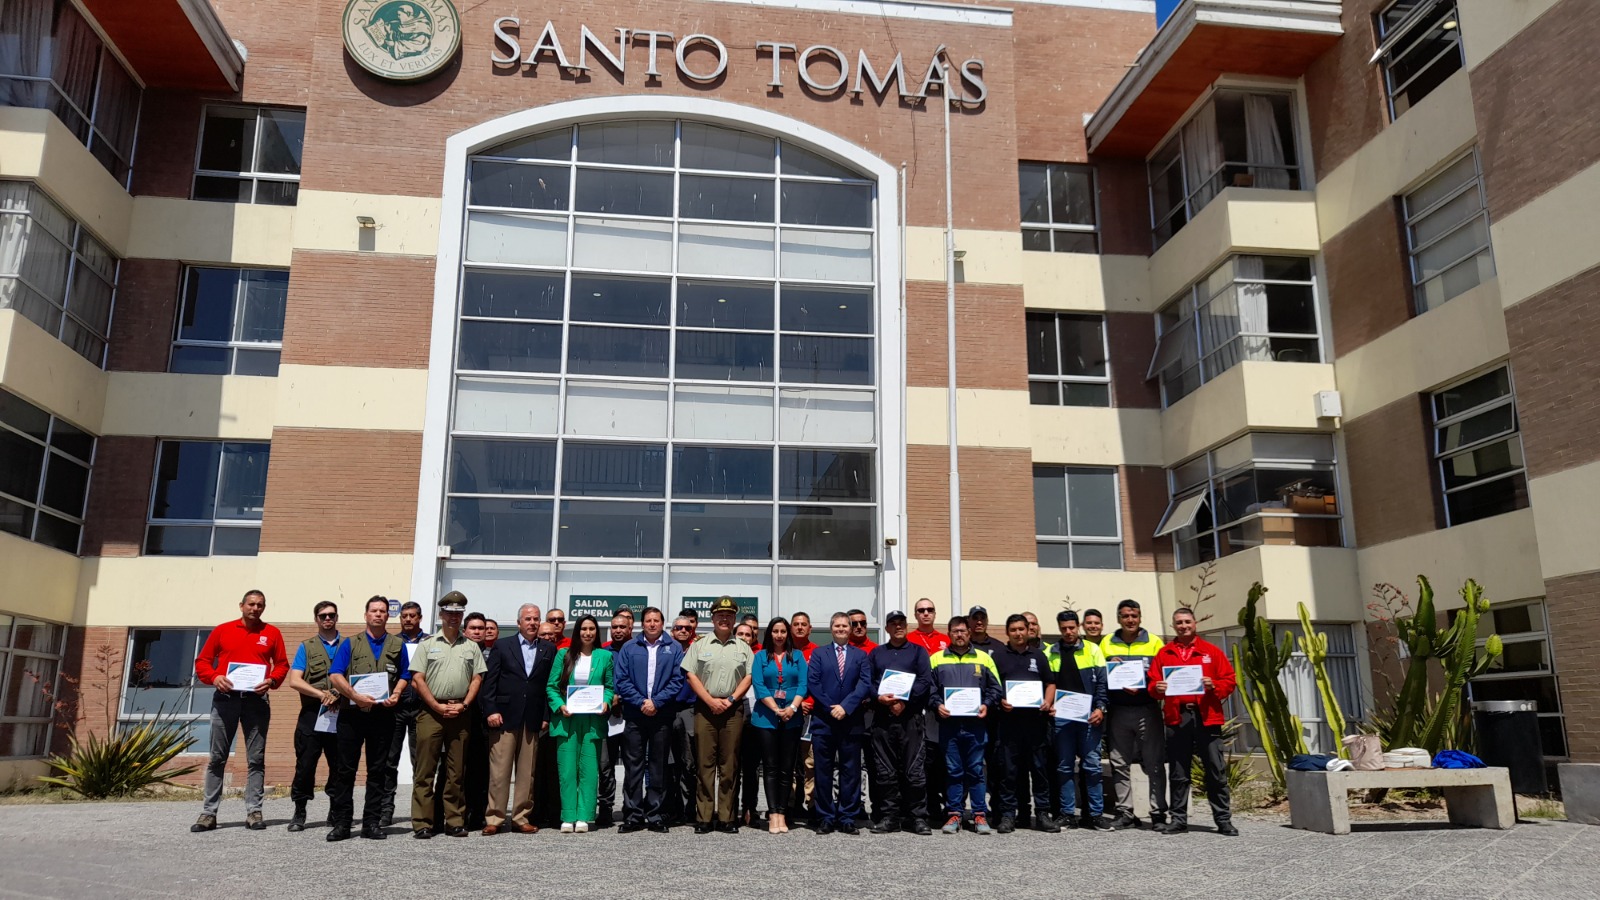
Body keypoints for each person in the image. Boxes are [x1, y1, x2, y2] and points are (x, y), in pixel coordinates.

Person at [191, 590, 288, 833]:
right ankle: (208, 813)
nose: (256, 609)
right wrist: (215, 677)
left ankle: (254, 811)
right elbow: (202, 662)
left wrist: (272, 681)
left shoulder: (272, 633)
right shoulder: (223, 630)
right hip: (225, 700)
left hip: (257, 702)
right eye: (251, 604)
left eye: (260, 605)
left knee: (256, 759)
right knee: (217, 758)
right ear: (241, 605)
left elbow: (282, 664)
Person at [1150, 607, 1238, 836]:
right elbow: (1153, 683)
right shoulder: (1164, 653)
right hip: (1177, 717)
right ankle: (1178, 819)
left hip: (1206, 716)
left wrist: (1214, 685)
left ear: (1195, 623)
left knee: (1215, 770)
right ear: (1173, 626)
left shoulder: (1211, 651)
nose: (1183, 626)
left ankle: (1223, 819)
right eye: (1179, 622)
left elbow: (1230, 679)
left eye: (1187, 621)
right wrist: (1156, 688)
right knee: (1179, 772)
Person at [327, 596, 407, 841]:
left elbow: (405, 673)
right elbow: (335, 675)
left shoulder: (396, 644)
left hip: (383, 715)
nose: (378, 615)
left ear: (387, 616)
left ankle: (371, 823)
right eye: (374, 611)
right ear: (366, 615)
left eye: (383, 611)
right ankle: (342, 823)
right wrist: (354, 695)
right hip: (352, 715)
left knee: (378, 770)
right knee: (345, 770)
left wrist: (396, 693)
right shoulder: (350, 643)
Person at [408, 591, 487, 838]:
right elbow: (417, 678)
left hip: (460, 712)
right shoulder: (428, 645)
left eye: (458, 613)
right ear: (441, 615)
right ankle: (423, 823)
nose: (453, 617)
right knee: (425, 771)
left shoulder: (471, 647)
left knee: (456, 772)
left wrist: (463, 705)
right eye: (449, 613)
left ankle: (454, 821)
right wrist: (435, 705)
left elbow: (477, 678)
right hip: (431, 713)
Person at [479, 603, 555, 835]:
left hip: (532, 718)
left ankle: (521, 817)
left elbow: (547, 687)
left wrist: (545, 716)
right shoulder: (502, 646)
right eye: (528, 619)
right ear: (519, 622)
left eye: (536, 619)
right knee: (499, 771)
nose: (532, 623)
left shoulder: (548, 649)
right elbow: (489, 683)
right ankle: (495, 817)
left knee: (526, 772)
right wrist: (490, 710)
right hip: (503, 717)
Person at [682, 596, 754, 833]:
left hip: (733, 710)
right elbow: (691, 674)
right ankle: (703, 817)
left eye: (729, 616)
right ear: (712, 618)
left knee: (729, 765)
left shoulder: (743, 647)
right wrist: (710, 701)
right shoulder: (699, 645)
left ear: (734, 619)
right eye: (720, 615)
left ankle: (726, 817)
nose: (724, 619)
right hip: (705, 708)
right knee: (704, 764)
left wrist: (731, 699)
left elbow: (749, 676)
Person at [614, 606, 684, 833]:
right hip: (635, 714)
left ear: (662, 623)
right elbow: (621, 680)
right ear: (641, 624)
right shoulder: (629, 647)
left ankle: (655, 814)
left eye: (656, 620)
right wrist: (642, 702)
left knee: (658, 766)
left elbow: (677, 680)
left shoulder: (673, 648)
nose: (652, 624)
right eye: (648, 621)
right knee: (633, 765)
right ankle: (633, 815)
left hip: (661, 714)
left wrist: (657, 702)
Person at [1101, 598, 1167, 829]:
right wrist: (1112, 668)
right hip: (1118, 710)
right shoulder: (1106, 642)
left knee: (1154, 763)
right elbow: (1100, 676)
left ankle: (1158, 813)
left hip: (1147, 709)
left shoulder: (1155, 643)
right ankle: (1125, 812)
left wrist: (1146, 684)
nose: (1130, 620)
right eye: (1125, 616)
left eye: (1134, 616)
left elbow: (1162, 676)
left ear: (1140, 617)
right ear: (1118, 618)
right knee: (1119, 763)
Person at [929, 616, 999, 835]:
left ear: (969, 633)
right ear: (949, 634)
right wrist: (937, 705)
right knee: (953, 771)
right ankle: (954, 815)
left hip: (975, 725)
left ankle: (979, 814)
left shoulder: (984, 659)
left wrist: (987, 705)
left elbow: (995, 688)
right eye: (955, 631)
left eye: (962, 631)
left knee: (976, 770)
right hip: (948, 725)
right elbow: (929, 690)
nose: (959, 635)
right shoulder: (937, 659)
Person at [546, 615, 615, 833]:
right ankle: (568, 816)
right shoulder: (563, 655)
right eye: (584, 629)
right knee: (566, 770)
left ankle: (584, 816)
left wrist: (605, 702)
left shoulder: (604, 656)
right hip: (567, 719)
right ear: (577, 631)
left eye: (592, 629)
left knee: (589, 769)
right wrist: (560, 706)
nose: (588, 633)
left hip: (593, 721)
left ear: (597, 632)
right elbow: (551, 686)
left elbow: (610, 687)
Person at [988, 613, 1056, 834]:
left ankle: (1043, 814)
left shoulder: (1038, 655)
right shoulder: (998, 656)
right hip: (1008, 725)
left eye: (1021, 629)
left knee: (1039, 770)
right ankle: (1008, 815)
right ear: (1008, 632)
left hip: (1035, 724)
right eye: (1014, 629)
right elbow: (992, 686)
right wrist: (1000, 701)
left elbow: (1050, 683)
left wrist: (1047, 701)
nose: (1018, 633)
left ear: (1029, 631)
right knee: (1009, 772)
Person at [867, 610, 933, 835]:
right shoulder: (877, 653)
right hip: (883, 721)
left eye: (901, 623)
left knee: (914, 770)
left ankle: (917, 818)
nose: (898, 627)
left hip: (910, 720)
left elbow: (925, 681)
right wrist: (881, 698)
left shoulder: (918, 652)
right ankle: (890, 817)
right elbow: (868, 681)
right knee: (885, 771)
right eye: (893, 624)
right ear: (886, 628)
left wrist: (904, 702)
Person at [284, 601, 347, 834]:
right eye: (323, 616)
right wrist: (323, 694)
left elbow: (356, 677)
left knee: (339, 765)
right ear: (316, 620)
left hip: (340, 714)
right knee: (305, 765)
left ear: (337, 617)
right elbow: (295, 680)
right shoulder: (307, 647)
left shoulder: (349, 645)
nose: (327, 619)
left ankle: (335, 810)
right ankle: (300, 811)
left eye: (331, 615)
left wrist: (339, 693)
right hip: (312, 713)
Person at [807, 612, 873, 834]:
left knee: (850, 771)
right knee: (823, 771)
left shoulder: (860, 655)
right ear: (831, 628)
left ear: (850, 628)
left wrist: (846, 707)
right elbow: (813, 683)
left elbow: (864, 684)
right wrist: (831, 707)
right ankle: (825, 816)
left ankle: (847, 817)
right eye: (837, 626)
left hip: (851, 721)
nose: (841, 629)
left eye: (845, 626)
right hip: (824, 721)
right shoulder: (818, 653)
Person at [1048, 610, 1111, 832]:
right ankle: (1067, 814)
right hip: (1062, 719)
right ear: (1059, 628)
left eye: (1072, 628)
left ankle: (1095, 815)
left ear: (1078, 627)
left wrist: (1101, 708)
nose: (1068, 632)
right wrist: (1049, 704)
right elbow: (1047, 685)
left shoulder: (1093, 650)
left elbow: (1103, 685)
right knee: (1064, 767)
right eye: (1064, 628)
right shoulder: (1050, 653)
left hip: (1089, 719)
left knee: (1092, 766)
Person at [750, 617, 806, 833]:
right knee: (771, 767)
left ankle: (783, 812)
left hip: (792, 718)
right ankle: (773, 814)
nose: (779, 635)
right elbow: (759, 685)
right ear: (769, 634)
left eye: (783, 631)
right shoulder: (760, 657)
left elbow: (803, 685)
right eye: (775, 631)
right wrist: (775, 709)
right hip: (767, 717)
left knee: (787, 768)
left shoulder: (798, 656)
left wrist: (791, 708)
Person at [379, 600, 428, 827]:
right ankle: (386, 809)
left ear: (419, 618)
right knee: (390, 761)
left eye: (412, 616)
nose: (408, 619)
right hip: (394, 709)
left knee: (421, 762)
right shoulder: (392, 642)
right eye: (404, 616)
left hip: (422, 708)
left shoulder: (430, 642)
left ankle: (420, 811)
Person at [905, 598, 949, 824]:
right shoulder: (909, 639)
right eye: (921, 610)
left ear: (935, 613)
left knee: (940, 761)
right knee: (920, 761)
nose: (925, 614)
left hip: (940, 710)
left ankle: (943, 807)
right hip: (914, 707)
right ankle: (921, 807)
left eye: (929, 610)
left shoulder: (945, 640)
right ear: (915, 615)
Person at [598, 611, 634, 828]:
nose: (618, 630)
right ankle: (605, 808)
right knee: (605, 765)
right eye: (615, 627)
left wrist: (622, 697)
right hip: (606, 716)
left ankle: (631, 808)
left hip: (631, 716)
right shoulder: (602, 652)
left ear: (630, 628)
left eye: (622, 627)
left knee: (632, 765)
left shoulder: (638, 650)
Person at [666, 613, 700, 826]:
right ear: (672, 631)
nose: (683, 631)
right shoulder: (665, 650)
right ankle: (671, 809)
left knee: (689, 763)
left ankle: (689, 809)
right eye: (679, 628)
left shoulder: (698, 651)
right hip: (668, 709)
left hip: (690, 709)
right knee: (669, 763)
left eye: (687, 628)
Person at [462, 612, 493, 832]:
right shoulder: (458, 651)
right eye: (473, 628)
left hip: (484, 719)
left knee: (482, 770)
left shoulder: (493, 654)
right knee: (456, 769)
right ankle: (455, 814)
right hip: (460, 716)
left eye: (481, 628)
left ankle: (478, 815)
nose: (477, 632)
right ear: (465, 631)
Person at [788, 611, 818, 825]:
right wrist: (795, 704)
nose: (799, 627)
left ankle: (813, 805)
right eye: (796, 624)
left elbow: (821, 682)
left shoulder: (817, 652)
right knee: (788, 762)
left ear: (810, 628)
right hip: (788, 713)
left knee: (810, 763)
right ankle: (790, 804)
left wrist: (810, 704)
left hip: (811, 714)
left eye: (803, 624)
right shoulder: (783, 651)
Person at [734, 620, 763, 825]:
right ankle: (731, 809)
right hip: (733, 715)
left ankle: (750, 808)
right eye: (741, 634)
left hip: (755, 717)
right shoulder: (727, 657)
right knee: (732, 767)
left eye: (748, 635)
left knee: (751, 768)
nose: (744, 638)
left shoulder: (760, 657)